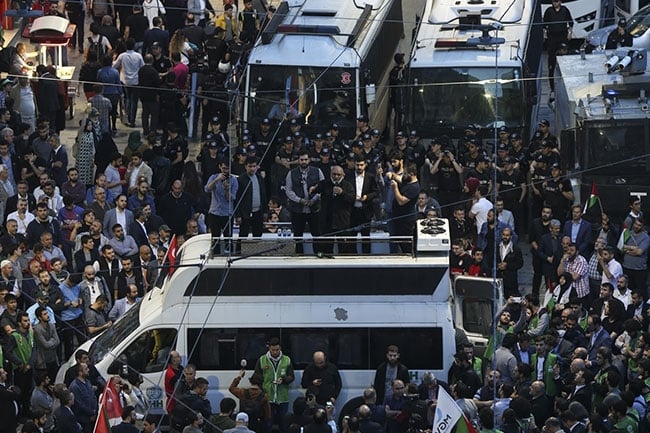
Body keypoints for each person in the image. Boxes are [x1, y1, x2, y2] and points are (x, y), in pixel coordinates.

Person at [285, 150, 325, 253]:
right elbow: (288, 191)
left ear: (309, 160)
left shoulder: (317, 171)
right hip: (298, 209)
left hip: (314, 208)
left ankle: (318, 253)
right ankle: (299, 254)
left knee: (316, 233)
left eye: (306, 159)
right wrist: (300, 200)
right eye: (301, 159)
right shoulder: (291, 173)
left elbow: (323, 188)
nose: (304, 162)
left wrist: (313, 200)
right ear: (298, 160)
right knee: (298, 234)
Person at [253, 337, 295, 433]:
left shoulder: (287, 360)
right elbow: (257, 378)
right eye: (273, 350)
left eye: (277, 350)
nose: (275, 352)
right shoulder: (262, 360)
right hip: (268, 397)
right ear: (269, 348)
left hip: (282, 398)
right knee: (268, 424)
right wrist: (261, 393)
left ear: (280, 349)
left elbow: (291, 376)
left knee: (283, 424)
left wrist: (284, 380)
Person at [543, 0, 573, 94]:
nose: (555, 3)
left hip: (562, 37)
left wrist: (570, 33)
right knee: (551, 62)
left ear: (560, 2)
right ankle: (552, 88)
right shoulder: (549, 11)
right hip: (552, 39)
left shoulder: (565, 10)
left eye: (556, 2)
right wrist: (545, 35)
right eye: (553, 2)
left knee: (564, 59)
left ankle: (567, 83)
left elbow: (571, 23)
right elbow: (544, 24)